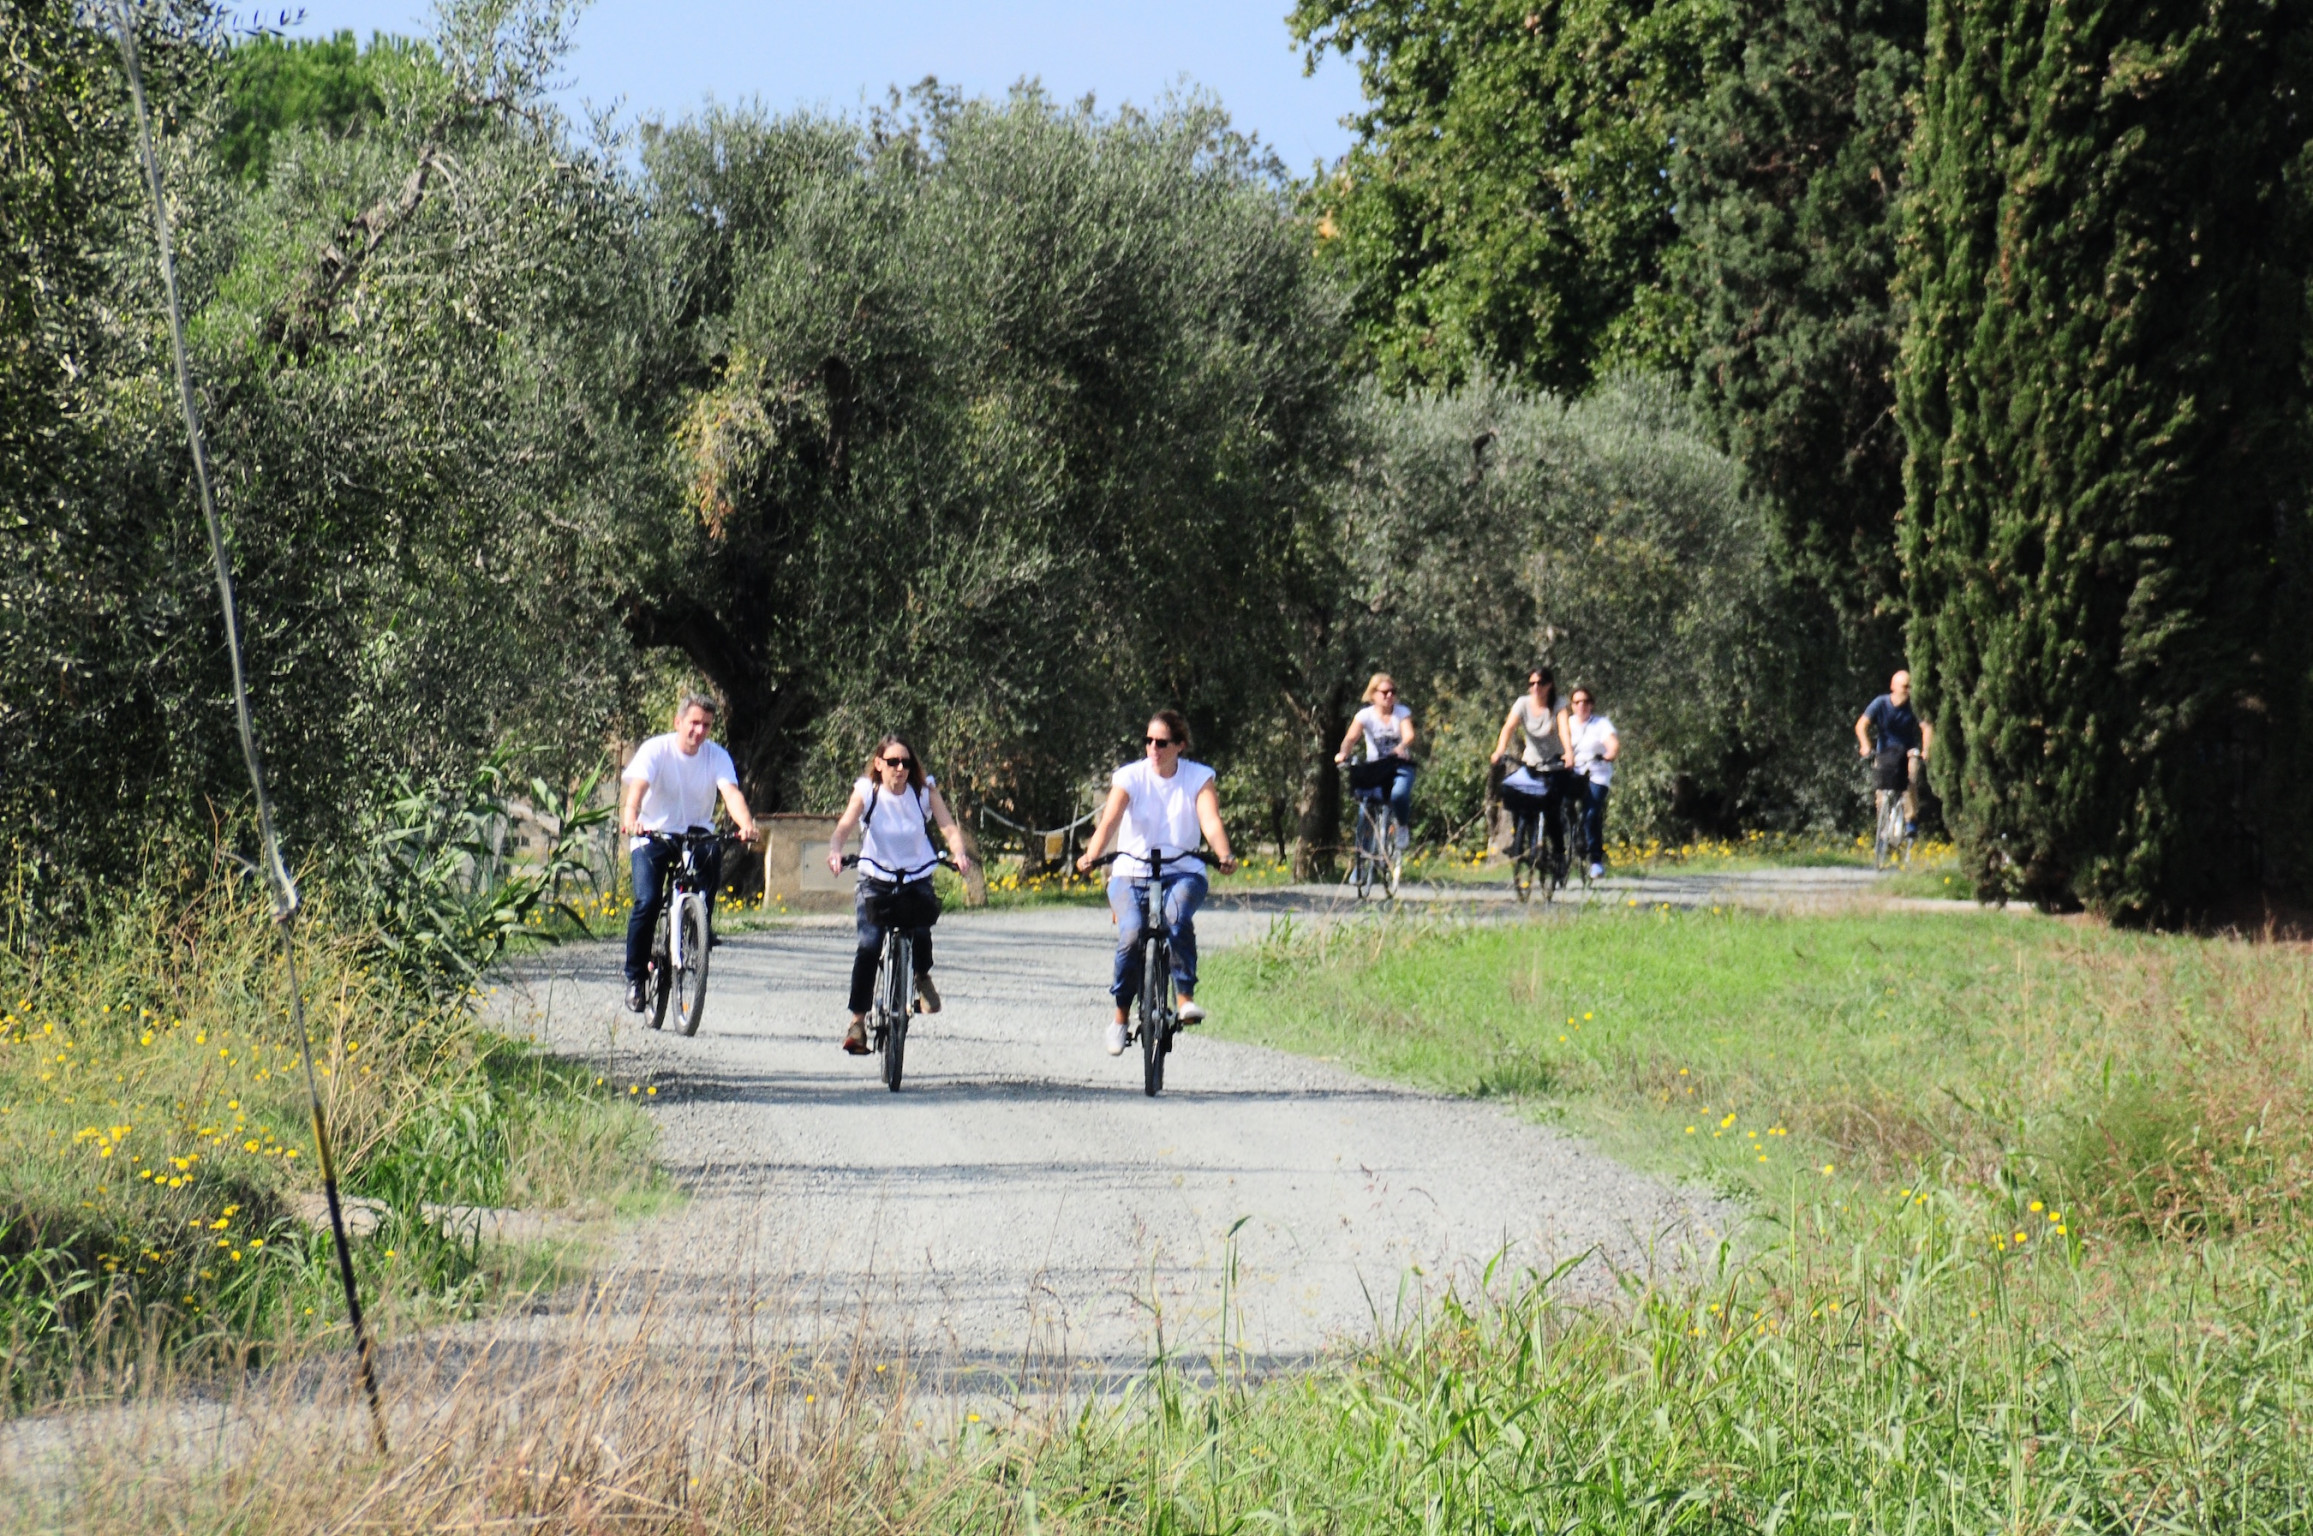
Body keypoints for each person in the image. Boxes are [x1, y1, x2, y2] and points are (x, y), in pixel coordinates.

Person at [1075, 710, 1238, 1058]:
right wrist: (1091, 855)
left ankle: (1184, 999)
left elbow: (1210, 820)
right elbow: (1109, 822)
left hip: (1183, 871)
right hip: (1131, 873)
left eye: (1161, 742)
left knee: (1176, 917)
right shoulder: (1130, 777)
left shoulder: (1198, 777)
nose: (1153, 748)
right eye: (1148, 740)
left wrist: (1223, 853)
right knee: (1132, 934)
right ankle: (1119, 1019)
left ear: (1179, 745)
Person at [826, 736, 972, 1055]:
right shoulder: (868, 791)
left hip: (915, 876)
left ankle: (921, 976)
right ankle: (857, 1022)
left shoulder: (923, 792)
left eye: (906, 762)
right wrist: (836, 850)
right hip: (875, 879)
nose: (900, 768)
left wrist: (959, 853)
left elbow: (947, 827)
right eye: (893, 762)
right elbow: (845, 825)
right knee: (868, 946)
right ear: (879, 764)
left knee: (920, 929)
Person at [620, 694, 757, 1014]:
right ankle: (635, 978)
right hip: (653, 832)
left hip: (694, 831)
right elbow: (637, 791)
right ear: (678, 723)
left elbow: (731, 793)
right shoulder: (656, 749)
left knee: (711, 854)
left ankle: (698, 926)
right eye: (694, 723)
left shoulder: (716, 756)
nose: (699, 730)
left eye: (706, 725)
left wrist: (746, 824)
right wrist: (631, 819)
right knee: (648, 900)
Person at [1491, 666, 1572, 869]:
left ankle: (1559, 853)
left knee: (1552, 809)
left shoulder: (1559, 704)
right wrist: (1499, 750)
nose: (1536, 687)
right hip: (1532, 762)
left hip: (1555, 764)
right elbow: (1509, 727)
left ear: (1549, 685)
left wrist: (1569, 753)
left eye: (1541, 683)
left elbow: (1563, 730)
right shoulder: (1522, 704)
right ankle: (1520, 841)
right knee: (1516, 796)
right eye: (1532, 683)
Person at [1333, 673, 1416, 850]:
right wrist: (1343, 753)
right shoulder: (1365, 715)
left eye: (1392, 692)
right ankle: (1360, 866)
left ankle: (1402, 826)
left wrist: (1400, 747)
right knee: (1365, 811)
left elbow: (1409, 735)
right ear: (1373, 695)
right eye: (1384, 692)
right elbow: (1351, 738)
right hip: (1376, 770)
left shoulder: (1402, 712)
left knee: (1399, 795)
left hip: (1399, 766)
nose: (1389, 696)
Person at [1854, 669, 1933, 834]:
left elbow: (1926, 727)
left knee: (1910, 779)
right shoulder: (1880, 703)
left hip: (1907, 751)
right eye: (1905, 687)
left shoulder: (1913, 705)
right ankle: (1882, 828)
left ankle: (1910, 820)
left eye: (1910, 687)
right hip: (1885, 752)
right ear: (1893, 687)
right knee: (1881, 791)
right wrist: (1865, 745)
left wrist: (1926, 750)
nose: (1908, 691)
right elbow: (1861, 725)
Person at [1564, 685, 1619, 879]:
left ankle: (1595, 861)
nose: (1582, 705)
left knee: (1591, 814)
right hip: (1573, 773)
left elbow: (1612, 743)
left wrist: (1609, 754)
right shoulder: (1566, 724)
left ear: (1592, 704)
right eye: (1577, 702)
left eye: (1586, 701)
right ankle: (1565, 844)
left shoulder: (1601, 724)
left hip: (1597, 774)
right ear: (1572, 705)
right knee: (1560, 805)